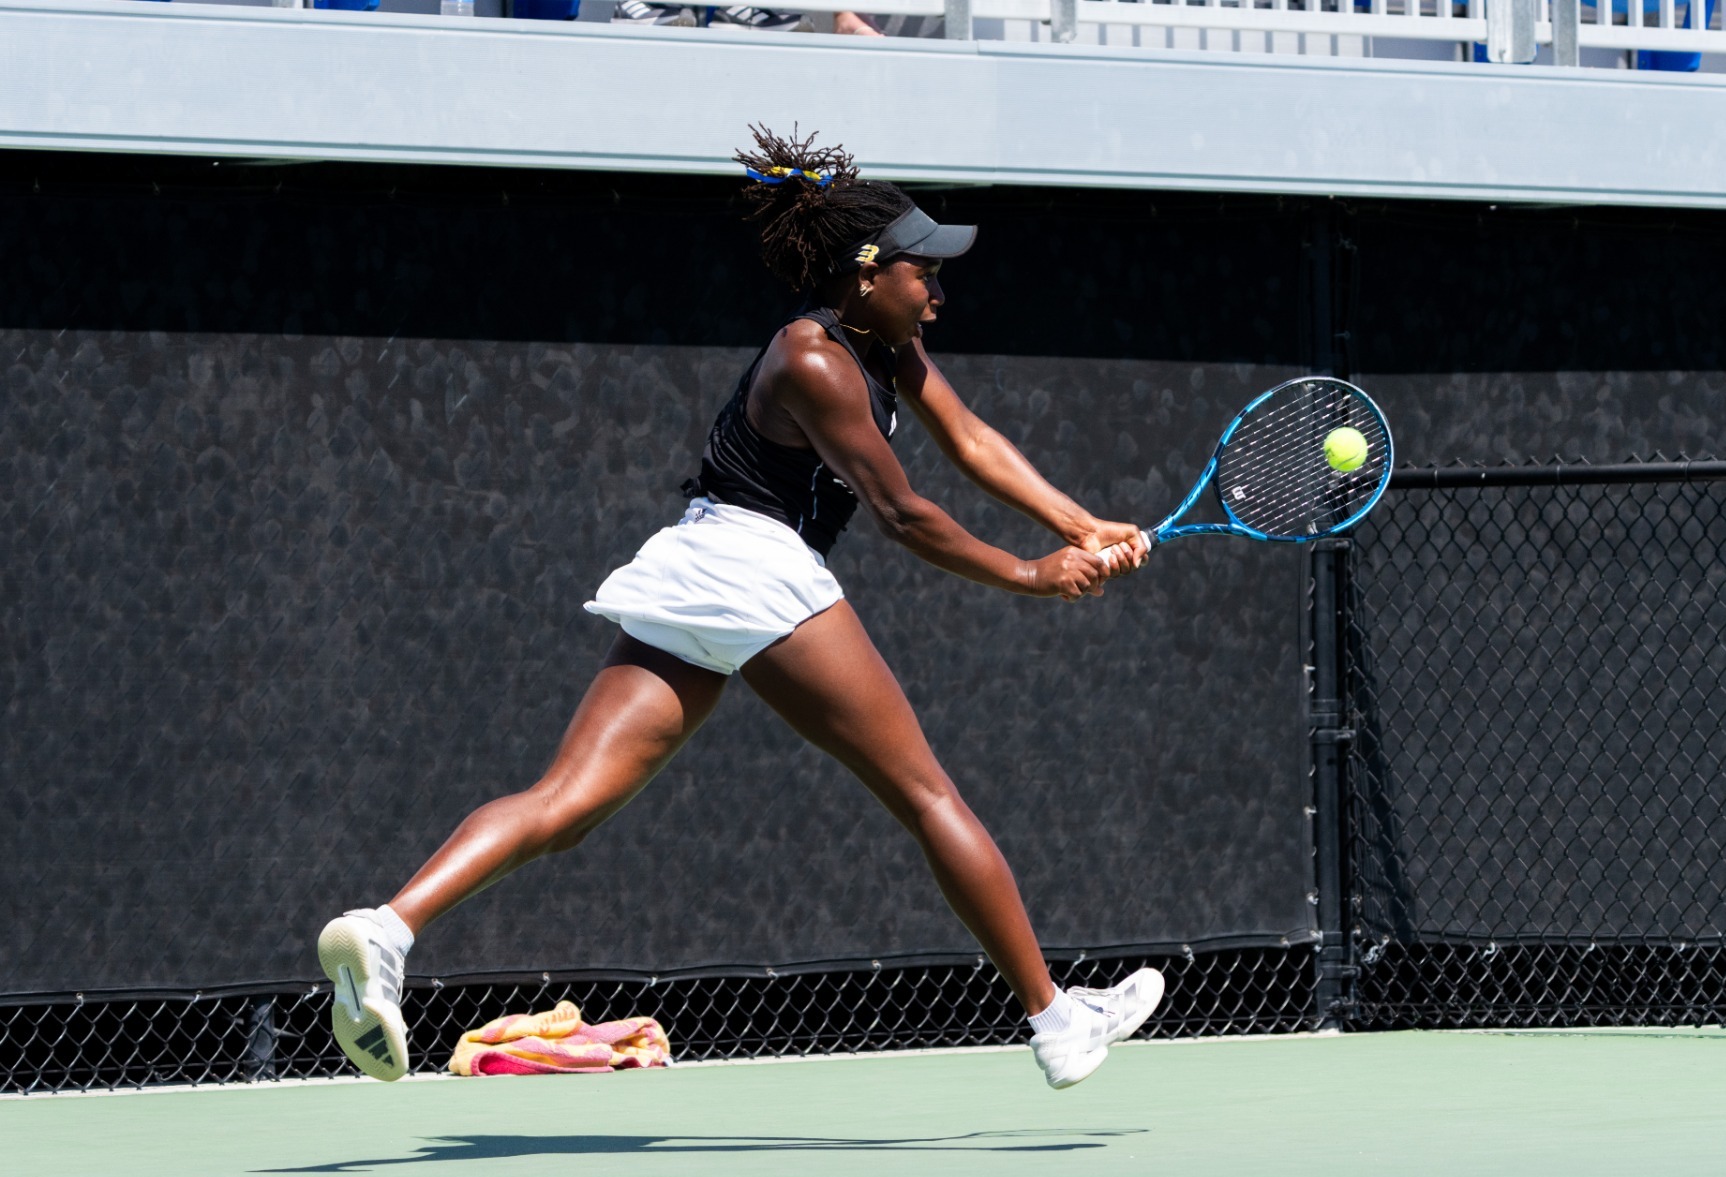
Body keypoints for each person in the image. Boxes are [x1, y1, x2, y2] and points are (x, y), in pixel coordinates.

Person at [316, 125, 1163, 1092]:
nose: (939, 292)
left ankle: (385, 930)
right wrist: (1031, 574)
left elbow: (969, 438)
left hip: (700, 565)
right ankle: (1056, 1020)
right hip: (756, 567)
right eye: (924, 273)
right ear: (866, 273)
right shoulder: (816, 359)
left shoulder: (885, 342)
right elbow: (902, 512)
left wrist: (1080, 523)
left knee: (567, 803)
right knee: (928, 796)